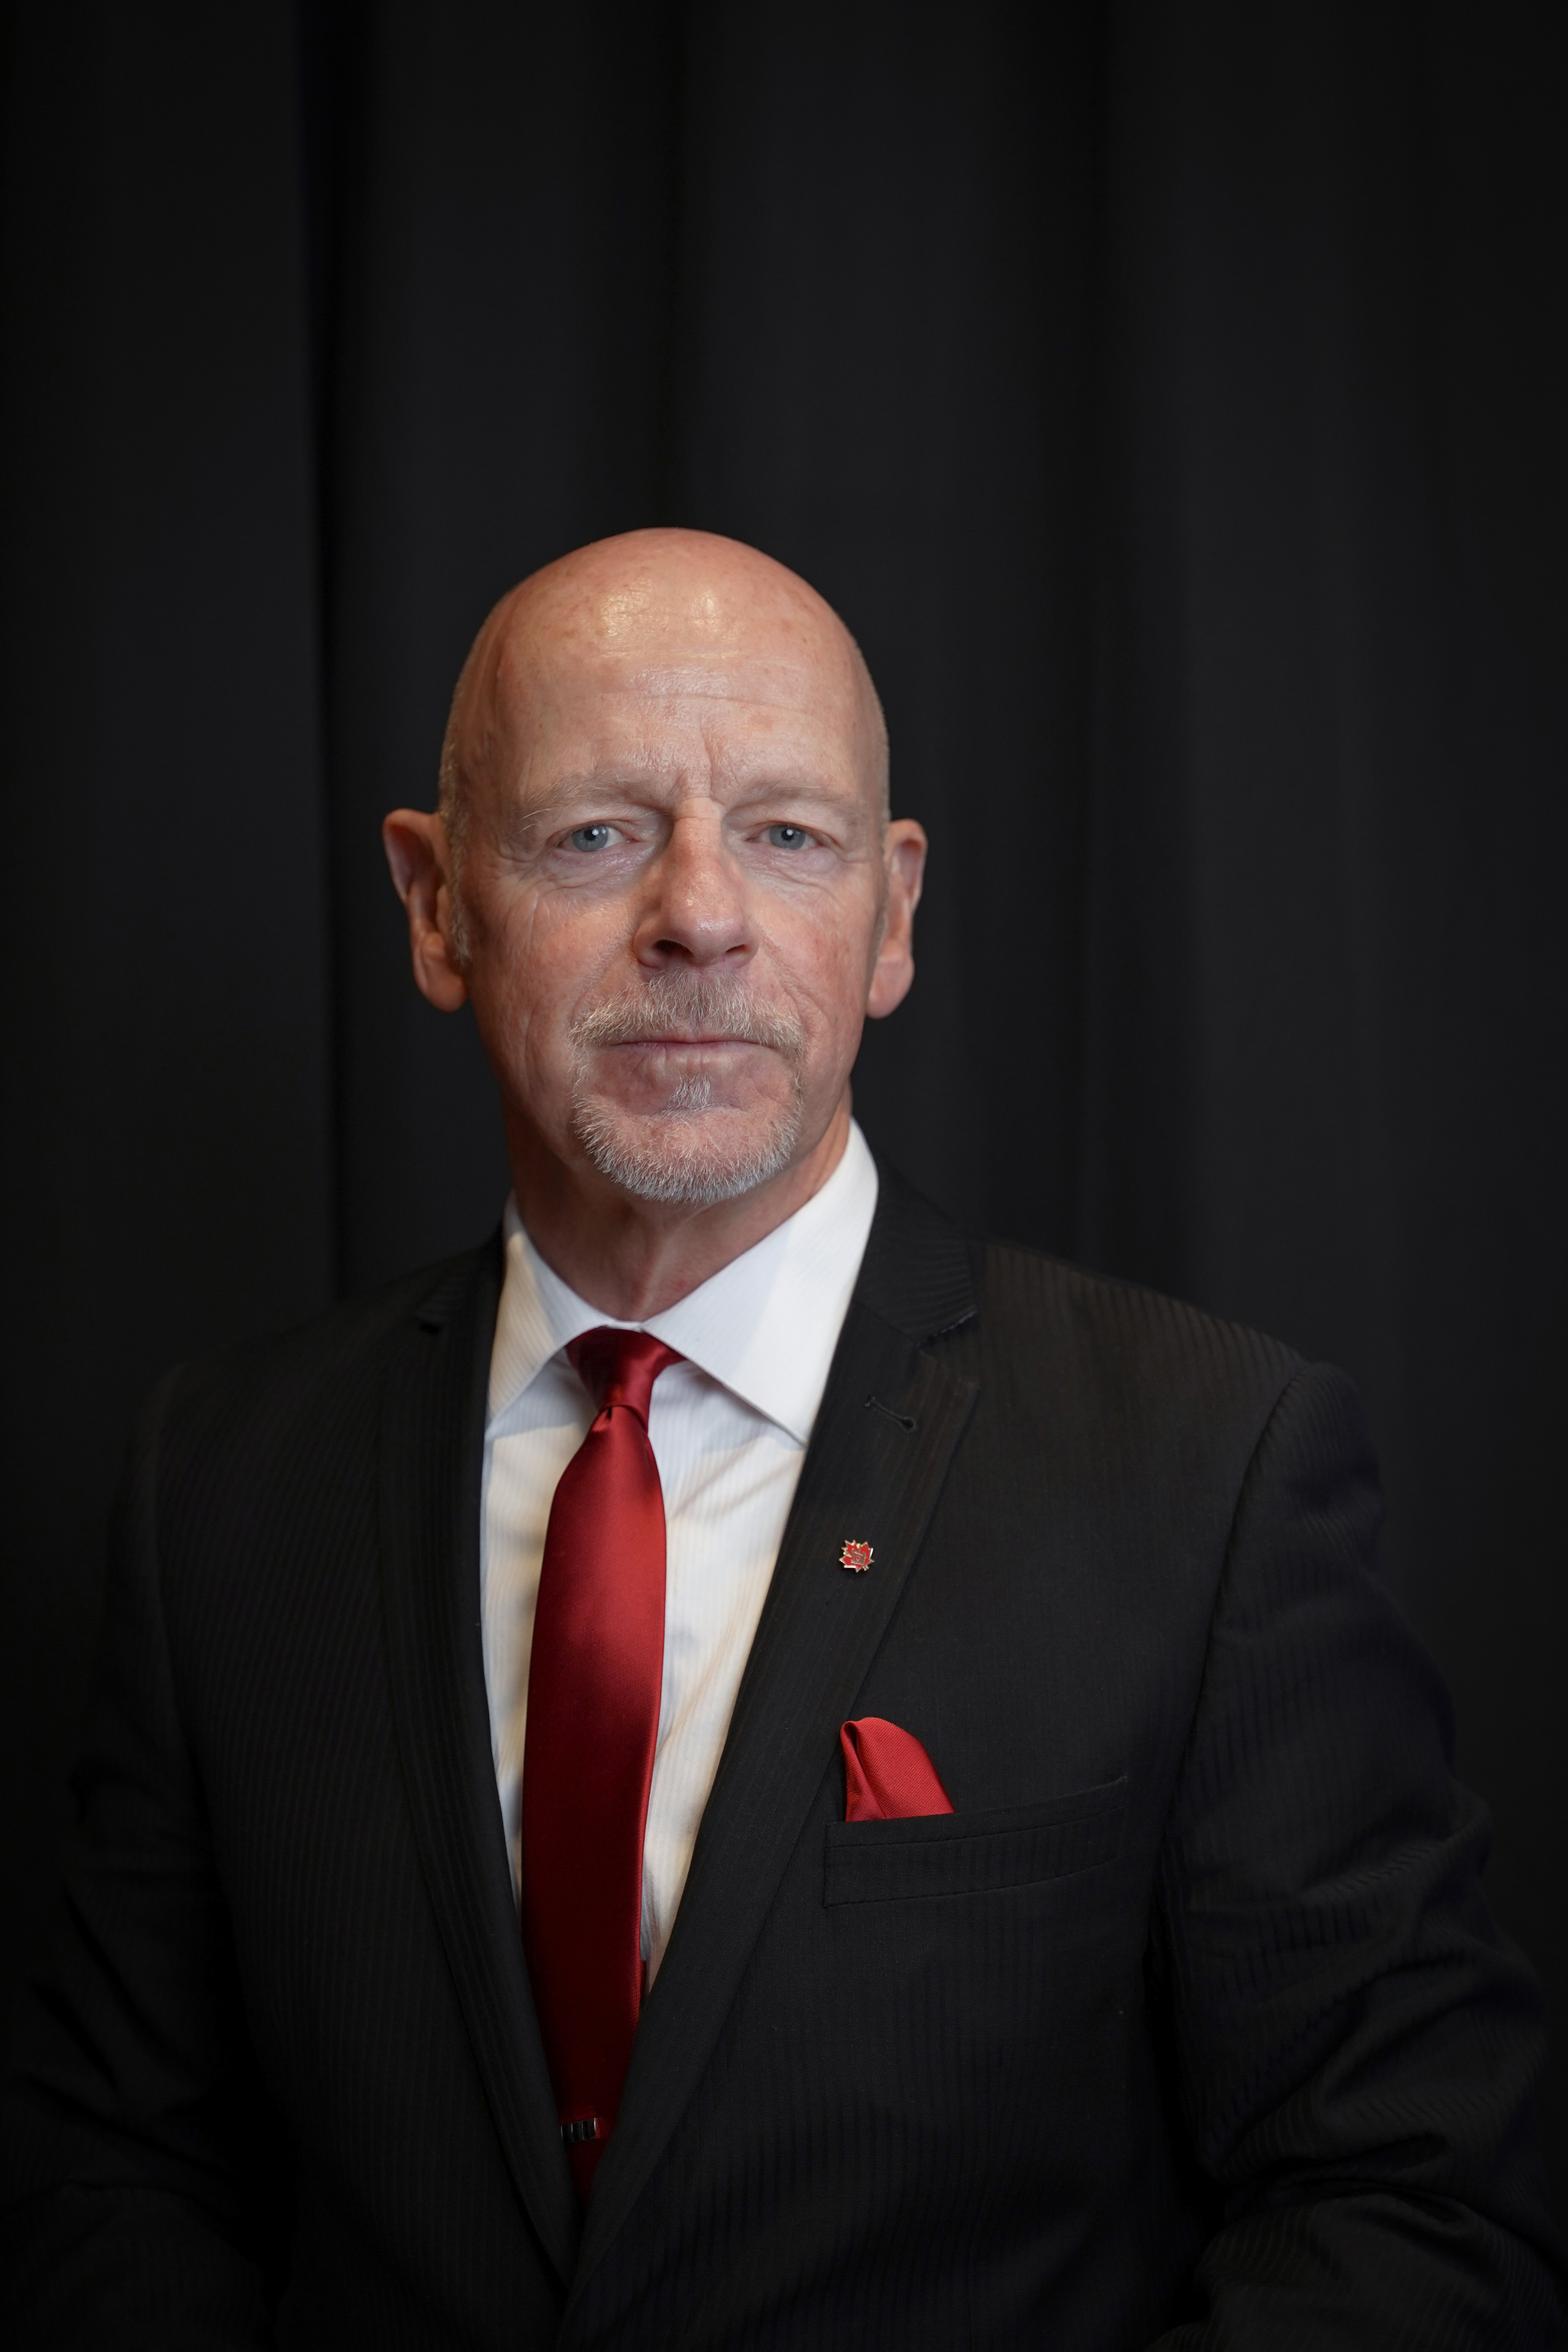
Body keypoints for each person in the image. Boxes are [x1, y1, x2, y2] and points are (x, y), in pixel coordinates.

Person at [1, 529, 1560, 2349]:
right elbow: (119, 2175)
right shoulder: (220, 1480)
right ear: (436, 907)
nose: (700, 914)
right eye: (596, 833)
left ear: (892, 917)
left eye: (788, 835)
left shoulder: (1210, 1465)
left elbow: (1413, 2205)